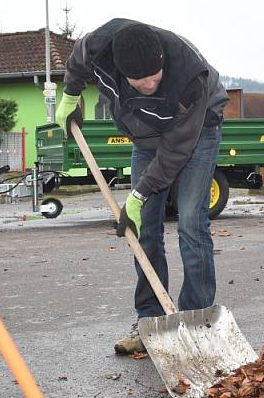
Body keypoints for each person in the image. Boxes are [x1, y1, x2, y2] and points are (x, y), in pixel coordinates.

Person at [55, 19, 229, 354]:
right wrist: (70, 94)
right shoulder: (99, 47)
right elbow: (77, 60)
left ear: (162, 61)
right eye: (139, 80)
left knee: (191, 221)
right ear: (121, 71)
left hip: (197, 130)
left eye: (155, 76)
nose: (149, 84)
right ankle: (151, 320)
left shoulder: (189, 77)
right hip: (144, 134)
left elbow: (176, 151)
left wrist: (139, 193)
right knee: (143, 229)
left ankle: (196, 320)